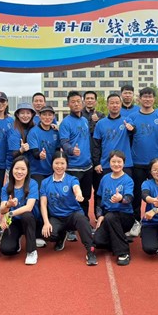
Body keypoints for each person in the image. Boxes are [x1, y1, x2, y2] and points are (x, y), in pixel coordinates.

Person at [40, 150, 97, 266]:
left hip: (72, 216)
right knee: (48, 234)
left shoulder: (72, 179)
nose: (59, 166)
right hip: (56, 217)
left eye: (62, 163)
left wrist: (78, 194)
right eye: (57, 163)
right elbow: (43, 204)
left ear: (66, 165)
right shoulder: (45, 182)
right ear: (52, 164)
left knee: (82, 220)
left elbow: (76, 188)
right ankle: (61, 235)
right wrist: (46, 222)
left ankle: (90, 251)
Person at [125, 87, 158, 237]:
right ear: (139, 99)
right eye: (145, 97)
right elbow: (130, 130)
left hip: (157, 162)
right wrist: (130, 129)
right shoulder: (133, 116)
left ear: (154, 99)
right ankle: (137, 222)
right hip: (138, 161)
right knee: (137, 194)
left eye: (150, 97)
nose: (147, 99)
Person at [93, 151, 135, 266]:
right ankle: (118, 237)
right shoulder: (105, 178)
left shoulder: (127, 180)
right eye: (113, 161)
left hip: (125, 216)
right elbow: (99, 198)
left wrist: (121, 199)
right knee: (97, 241)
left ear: (124, 163)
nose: (116, 164)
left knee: (110, 217)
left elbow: (129, 198)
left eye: (119, 162)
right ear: (109, 163)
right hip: (108, 216)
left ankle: (123, 252)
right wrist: (99, 215)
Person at [59, 91, 94, 222]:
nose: (76, 104)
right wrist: (71, 150)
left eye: (78, 101)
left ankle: (84, 221)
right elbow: (64, 142)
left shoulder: (84, 120)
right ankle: (71, 225)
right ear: (68, 104)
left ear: (82, 103)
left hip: (87, 166)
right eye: (73, 102)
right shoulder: (66, 122)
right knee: (72, 198)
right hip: (73, 167)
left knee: (85, 197)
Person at [92, 93, 133, 202]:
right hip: (105, 164)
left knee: (126, 194)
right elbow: (96, 145)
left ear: (120, 104)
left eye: (117, 103)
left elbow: (134, 132)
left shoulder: (127, 121)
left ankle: (127, 213)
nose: (115, 105)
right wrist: (96, 163)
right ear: (107, 105)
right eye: (112, 103)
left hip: (125, 164)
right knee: (104, 193)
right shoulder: (100, 124)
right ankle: (101, 212)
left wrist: (132, 129)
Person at [0, 156, 40, 264]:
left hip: (32, 220)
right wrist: (8, 204)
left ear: (27, 171)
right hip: (15, 221)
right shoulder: (6, 188)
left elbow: (29, 207)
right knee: (6, 250)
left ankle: (31, 251)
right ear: (12, 169)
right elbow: (2, 210)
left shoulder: (32, 184)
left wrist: (9, 214)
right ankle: (17, 239)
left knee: (26, 215)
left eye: (23, 169)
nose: (19, 172)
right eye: (17, 168)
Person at [28, 105, 60, 187]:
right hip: (37, 171)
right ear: (39, 116)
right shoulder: (33, 132)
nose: (47, 117)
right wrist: (40, 155)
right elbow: (34, 153)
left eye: (50, 115)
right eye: (44, 114)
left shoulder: (56, 132)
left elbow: (57, 151)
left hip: (52, 171)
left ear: (53, 117)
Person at [7, 103, 36, 176]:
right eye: (22, 113)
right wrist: (21, 150)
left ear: (32, 114)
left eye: (28, 113)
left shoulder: (34, 127)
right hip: (14, 168)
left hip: (30, 168)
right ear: (17, 115)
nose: (25, 116)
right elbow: (13, 154)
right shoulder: (14, 130)